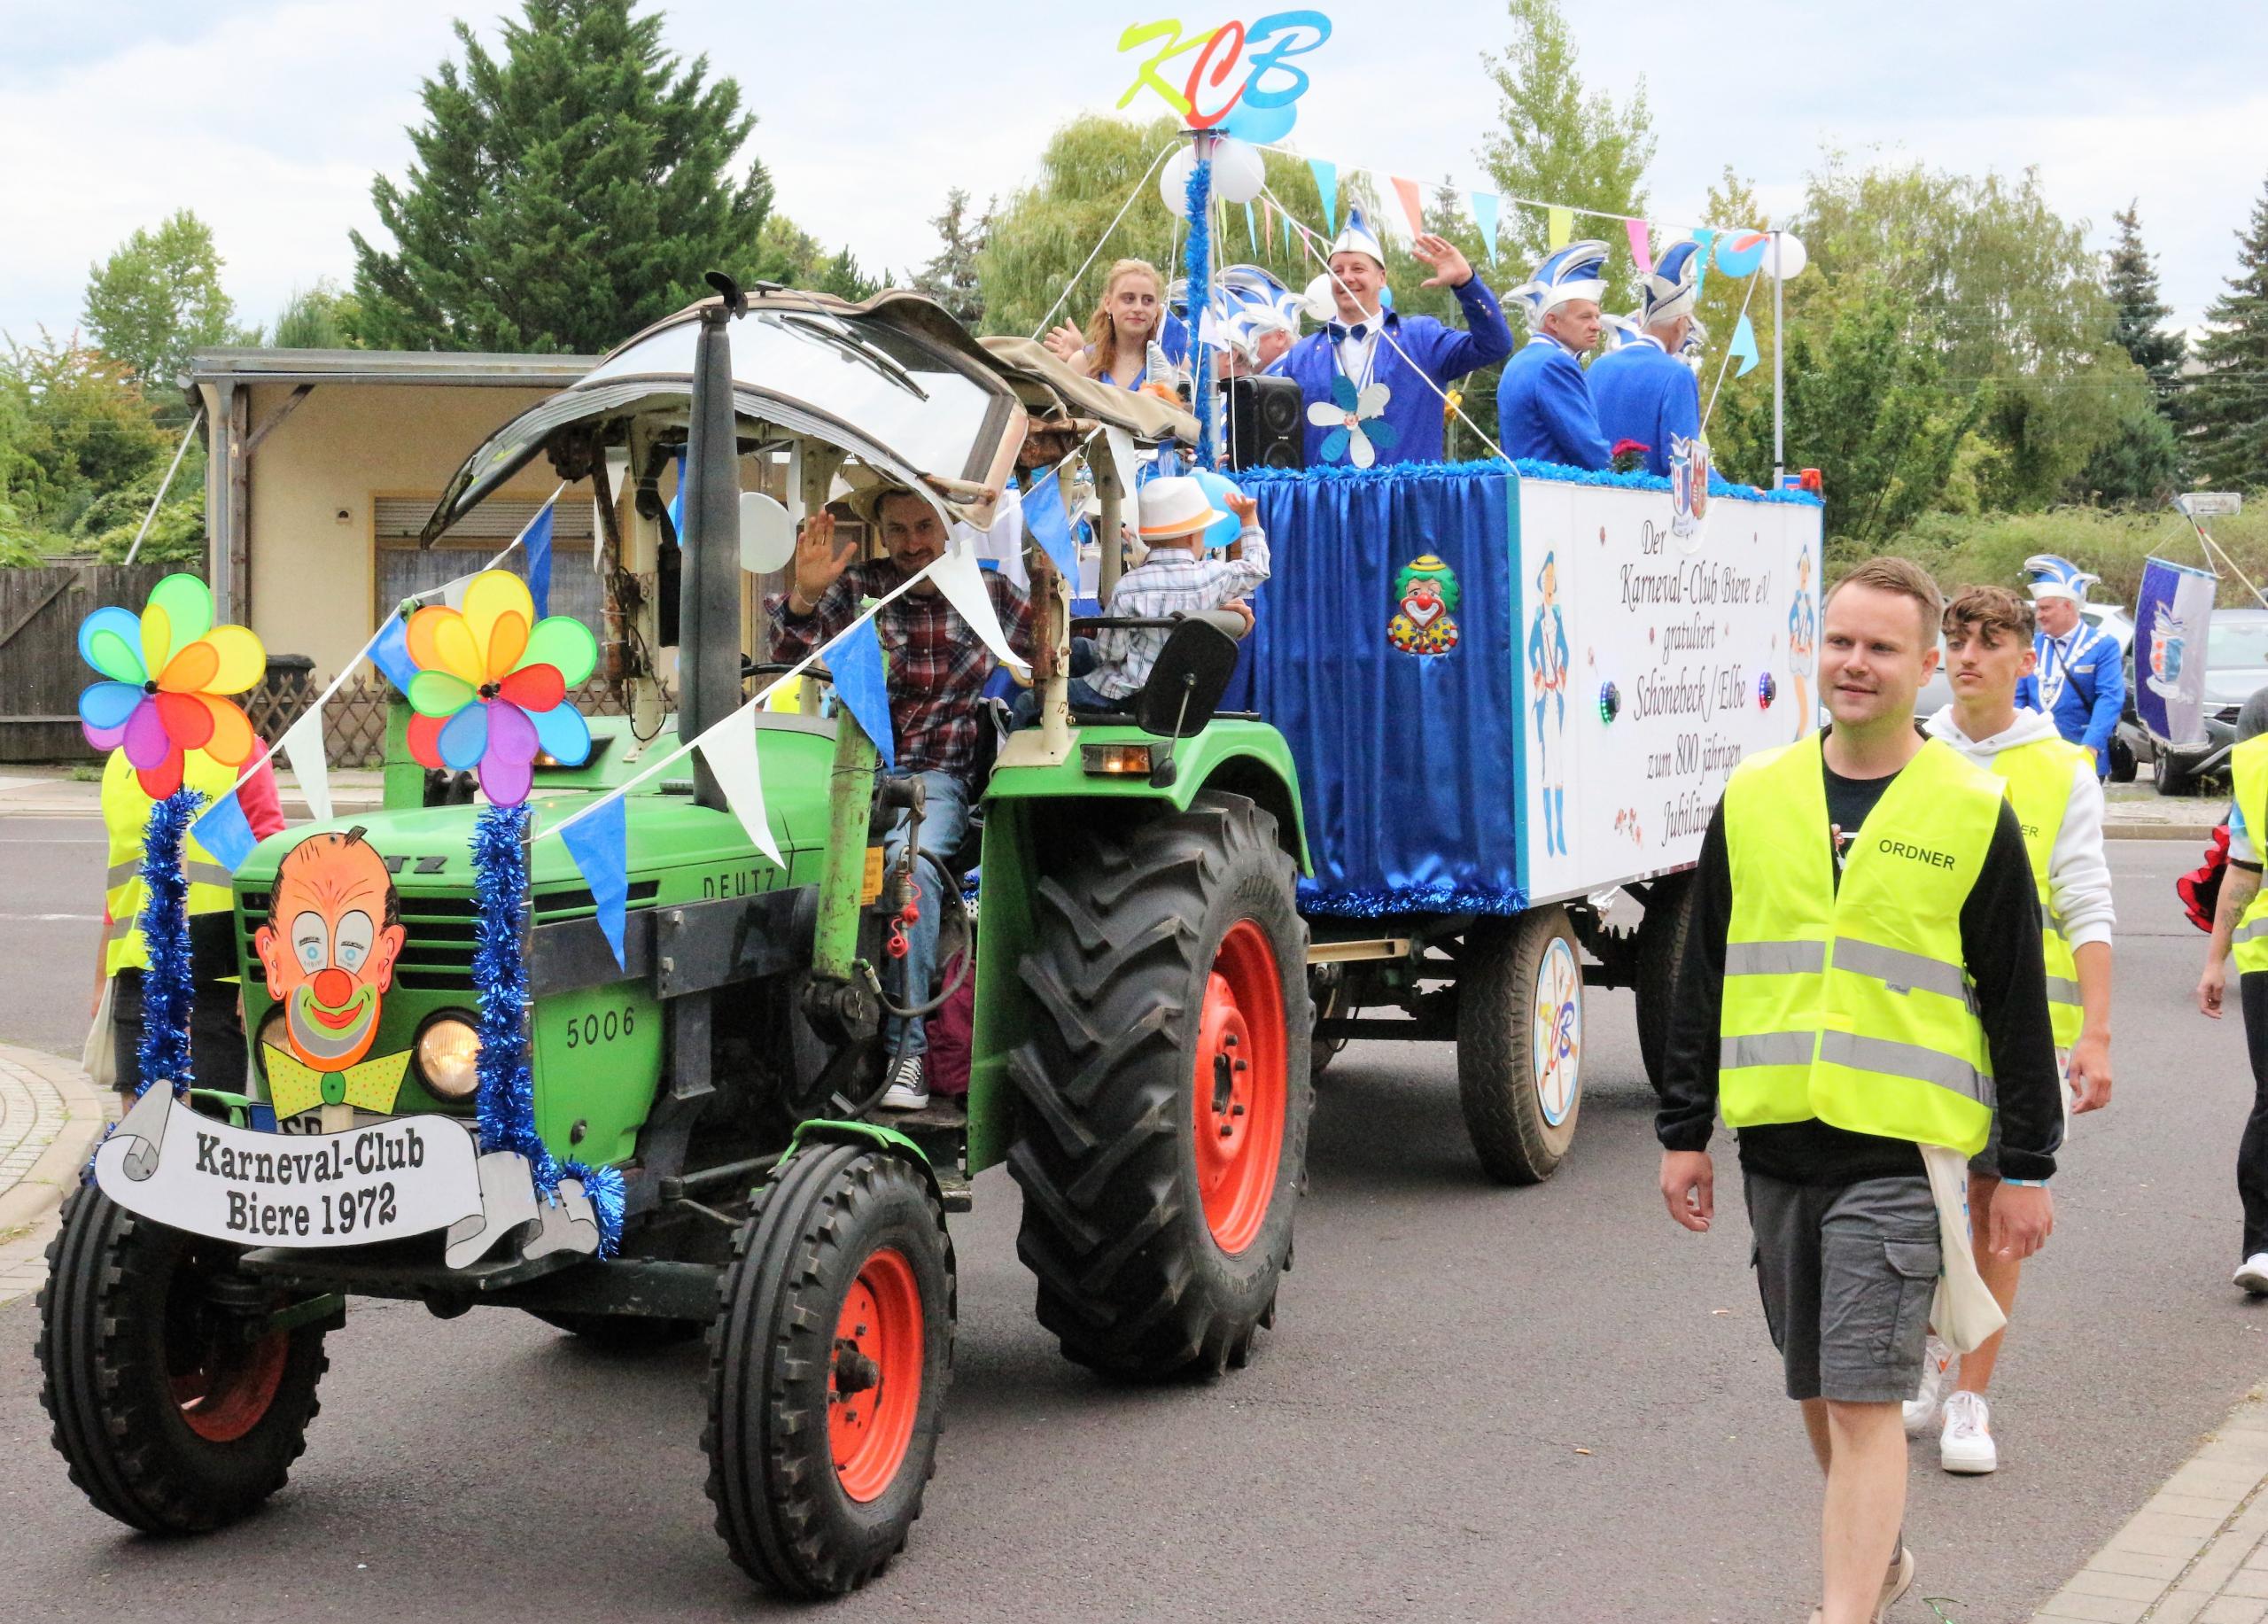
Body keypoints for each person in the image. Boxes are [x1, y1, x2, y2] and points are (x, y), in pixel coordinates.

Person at [1658, 556, 2062, 1624]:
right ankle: (1876, 1561)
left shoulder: (1972, 809)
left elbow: (2017, 1000)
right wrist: (1683, 1131)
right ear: (1816, 647)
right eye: (1840, 641)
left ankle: (1844, 1612)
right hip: (1775, 1145)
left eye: (1882, 647)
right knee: (1816, 1391)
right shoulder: (1755, 795)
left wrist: (2025, 1166)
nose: (1855, 663)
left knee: (1864, 1393)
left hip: (1898, 1152)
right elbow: (1703, 971)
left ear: (1928, 666)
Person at [1903, 585, 2114, 1474]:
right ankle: (1923, 1355)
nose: (1968, 656)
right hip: (1909, 1025)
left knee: (1993, 1214)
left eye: (1990, 642)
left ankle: (1968, 1400)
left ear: (2026, 659)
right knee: (1909, 1211)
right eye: (1955, 639)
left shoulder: (2060, 767)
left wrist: (2095, 1034)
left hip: (2012, 1037)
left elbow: (2089, 904)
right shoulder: (1911, 754)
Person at [769, 486, 1041, 1110]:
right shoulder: (859, 589)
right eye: (899, 529)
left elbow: (1053, 654)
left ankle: (906, 1052)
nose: (915, 543)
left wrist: (1059, 611)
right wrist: (805, 595)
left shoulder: (988, 594)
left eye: (925, 527)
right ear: (881, 532)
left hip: (935, 780)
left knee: (908, 872)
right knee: (788, 864)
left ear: (948, 530)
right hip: (852, 770)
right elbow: (787, 658)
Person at [99, 745, 285, 1100]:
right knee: (141, 1122)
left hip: (214, 973)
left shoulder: (236, 749)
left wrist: (261, 971)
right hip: (138, 969)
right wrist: (101, 983)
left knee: (207, 1116)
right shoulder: (124, 757)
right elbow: (118, 883)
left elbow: (269, 867)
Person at [1275, 207, 1514, 467]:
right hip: (1331, 504)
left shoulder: (1420, 339)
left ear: (1382, 278)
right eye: (1337, 271)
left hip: (1405, 502)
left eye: (1358, 268)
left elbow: (1495, 344)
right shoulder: (1302, 355)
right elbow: (1283, 437)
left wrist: (1466, 283)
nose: (1347, 278)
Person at [1077, 476, 1270, 711]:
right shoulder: (1214, 576)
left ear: (1148, 537)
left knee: (1035, 698)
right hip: (1180, 693)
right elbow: (1257, 568)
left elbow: (1109, 654)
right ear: (1192, 537)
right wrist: (1248, 517)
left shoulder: (1128, 586)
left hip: (1125, 693)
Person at [2194, 701, 2268, 1293]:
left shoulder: (2255, 763)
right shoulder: (2258, 766)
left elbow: (2243, 871)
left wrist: (2219, 958)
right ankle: (2262, 1245)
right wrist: (2215, 957)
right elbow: (2242, 870)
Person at [1587, 240, 1705, 478]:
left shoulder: (1597, 368)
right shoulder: (1677, 375)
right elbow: (1684, 466)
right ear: (1681, 324)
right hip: (1652, 511)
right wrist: (1738, 491)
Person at [1495, 241, 1615, 470]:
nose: (1597, 326)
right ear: (1553, 321)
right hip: (1558, 497)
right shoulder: (1556, 363)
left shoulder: (1519, 361)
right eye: (1585, 317)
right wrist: (1622, 476)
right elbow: (1587, 448)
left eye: (1597, 317)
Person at [2015, 571, 2125, 779]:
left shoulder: (2103, 645)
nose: (2039, 615)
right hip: (2033, 756)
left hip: (2081, 755)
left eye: (2045, 608)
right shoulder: (2031, 645)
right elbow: (2018, 698)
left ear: (2068, 607)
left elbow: (2109, 698)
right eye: (2038, 609)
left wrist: (2091, 745)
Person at [1042, 259, 1179, 394]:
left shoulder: (1173, 361)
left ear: (1156, 308)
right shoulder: (1082, 363)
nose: (1138, 308)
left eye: (1148, 300)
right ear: (1108, 303)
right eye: (1128, 299)